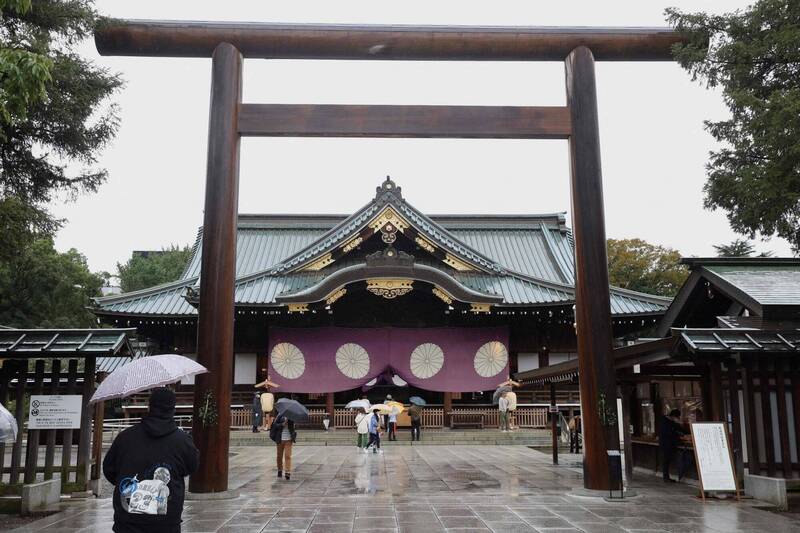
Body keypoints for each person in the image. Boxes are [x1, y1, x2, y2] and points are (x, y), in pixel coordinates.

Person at [103, 387, 199, 533]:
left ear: (149, 407)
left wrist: (127, 484)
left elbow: (109, 469)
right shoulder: (182, 441)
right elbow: (192, 466)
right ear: (173, 409)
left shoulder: (126, 437)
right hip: (166, 519)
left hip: (128, 518)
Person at [659, 408, 687, 482]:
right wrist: (677, 434)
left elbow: (680, 429)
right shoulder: (664, 421)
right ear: (673, 416)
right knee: (666, 461)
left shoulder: (672, 422)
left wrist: (683, 431)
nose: (677, 419)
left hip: (671, 444)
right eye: (677, 417)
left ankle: (667, 477)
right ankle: (666, 477)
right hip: (666, 444)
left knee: (667, 461)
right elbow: (668, 433)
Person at [270, 411, 296, 480]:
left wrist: (291, 422)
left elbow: (293, 428)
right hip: (280, 439)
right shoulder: (279, 415)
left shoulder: (292, 416)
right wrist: (282, 424)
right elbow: (274, 425)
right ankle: (280, 469)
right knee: (279, 456)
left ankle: (287, 472)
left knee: (288, 455)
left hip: (288, 439)